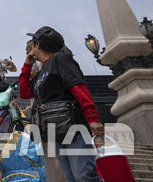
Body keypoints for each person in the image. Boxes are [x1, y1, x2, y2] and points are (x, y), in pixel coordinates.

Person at [19, 26, 103, 182]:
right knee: (70, 177)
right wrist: (27, 65)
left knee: (84, 176)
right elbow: (24, 92)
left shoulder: (60, 59)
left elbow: (78, 87)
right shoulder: (43, 71)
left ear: (37, 45)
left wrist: (92, 118)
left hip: (73, 128)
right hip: (54, 132)